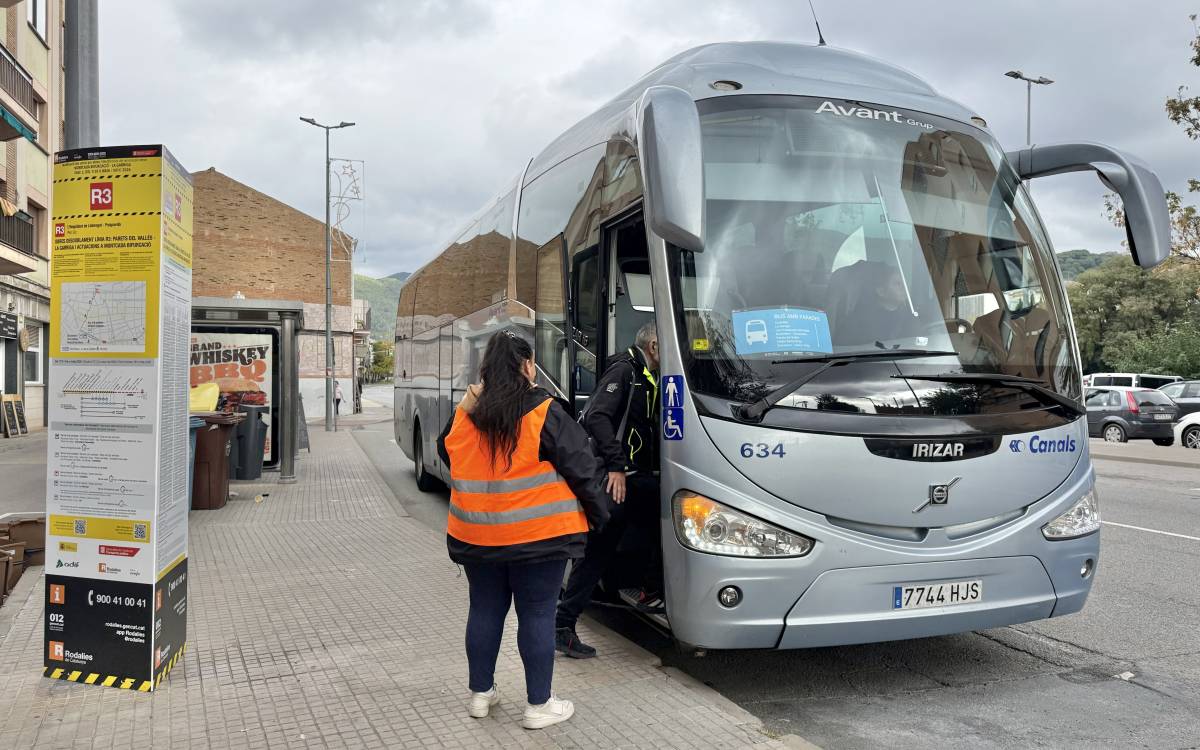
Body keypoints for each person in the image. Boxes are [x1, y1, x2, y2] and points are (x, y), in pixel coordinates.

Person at [437, 331, 607, 730]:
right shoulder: (542, 410)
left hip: (477, 537)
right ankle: (538, 705)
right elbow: (581, 466)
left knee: (484, 610)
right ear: (528, 366)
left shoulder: (467, 410)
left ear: (485, 370)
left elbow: (447, 450)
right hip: (539, 539)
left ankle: (480, 695)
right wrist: (599, 514)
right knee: (537, 613)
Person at [555, 321, 662, 659]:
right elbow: (596, 417)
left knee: (629, 535)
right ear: (655, 346)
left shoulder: (652, 375)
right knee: (600, 549)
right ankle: (563, 625)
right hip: (620, 480)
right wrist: (616, 465)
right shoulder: (624, 371)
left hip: (637, 477)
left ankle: (643, 588)